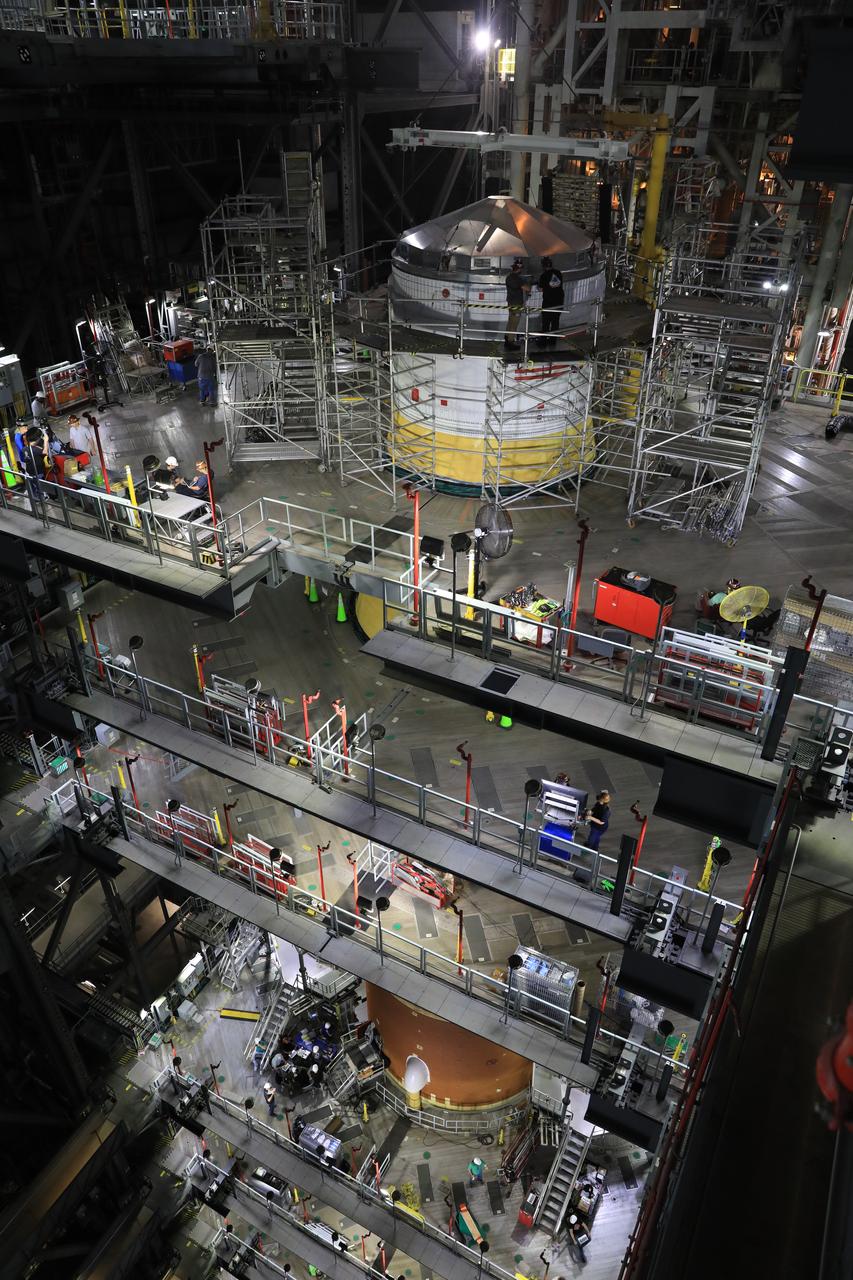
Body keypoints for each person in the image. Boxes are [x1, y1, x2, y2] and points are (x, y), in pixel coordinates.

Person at [537, 256, 565, 347]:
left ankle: (543, 342)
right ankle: (553, 341)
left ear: (543, 266)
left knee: (546, 323)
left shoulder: (543, 275)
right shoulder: (558, 273)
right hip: (559, 301)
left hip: (548, 302)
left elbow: (540, 289)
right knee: (555, 322)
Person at [504, 259, 529, 349]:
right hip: (517, 303)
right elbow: (527, 288)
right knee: (514, 323)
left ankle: (507, 338)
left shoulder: (509, 277)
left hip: (510, 302)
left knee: (510, 321)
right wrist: (527, 283)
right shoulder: (517, 278)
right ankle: (511, 342)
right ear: (519, 269)